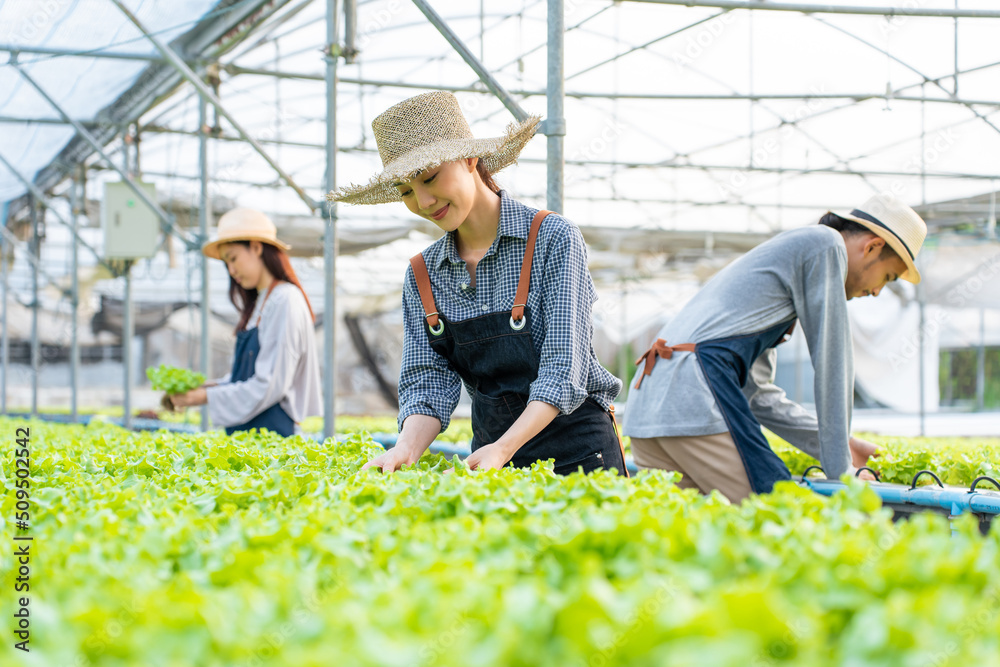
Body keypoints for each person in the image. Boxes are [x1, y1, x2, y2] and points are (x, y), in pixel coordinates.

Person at [330, 91, 626, 475]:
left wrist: (502, 450)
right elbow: (427, 380)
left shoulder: (552, 238)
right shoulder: (423, 274)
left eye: (429, 177)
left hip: (579, 456)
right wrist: (404, 448)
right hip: (491, 461)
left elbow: (562, 370)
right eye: (405, 191)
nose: (422, 201)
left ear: (470, 158)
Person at [622, 194, 928, 502]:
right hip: (691, 398)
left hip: (650, 405)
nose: (876, 292)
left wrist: (840, 444)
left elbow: (757, 395)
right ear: (872, 246)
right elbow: (833, 364)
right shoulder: (826, 245)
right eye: (887, 277)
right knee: (778, 513)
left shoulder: (780, 272)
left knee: (691, 531)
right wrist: (841, 468)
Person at [166, 208, 322, 437]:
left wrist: (203, 396)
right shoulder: (262, 302)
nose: (231, 270)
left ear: (257, 248)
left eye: (233, 258)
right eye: (226, 263)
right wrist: (204, 389)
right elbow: (243, 379)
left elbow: (270, 384)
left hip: (273, 439)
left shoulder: (284, 299)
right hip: (249, 436)